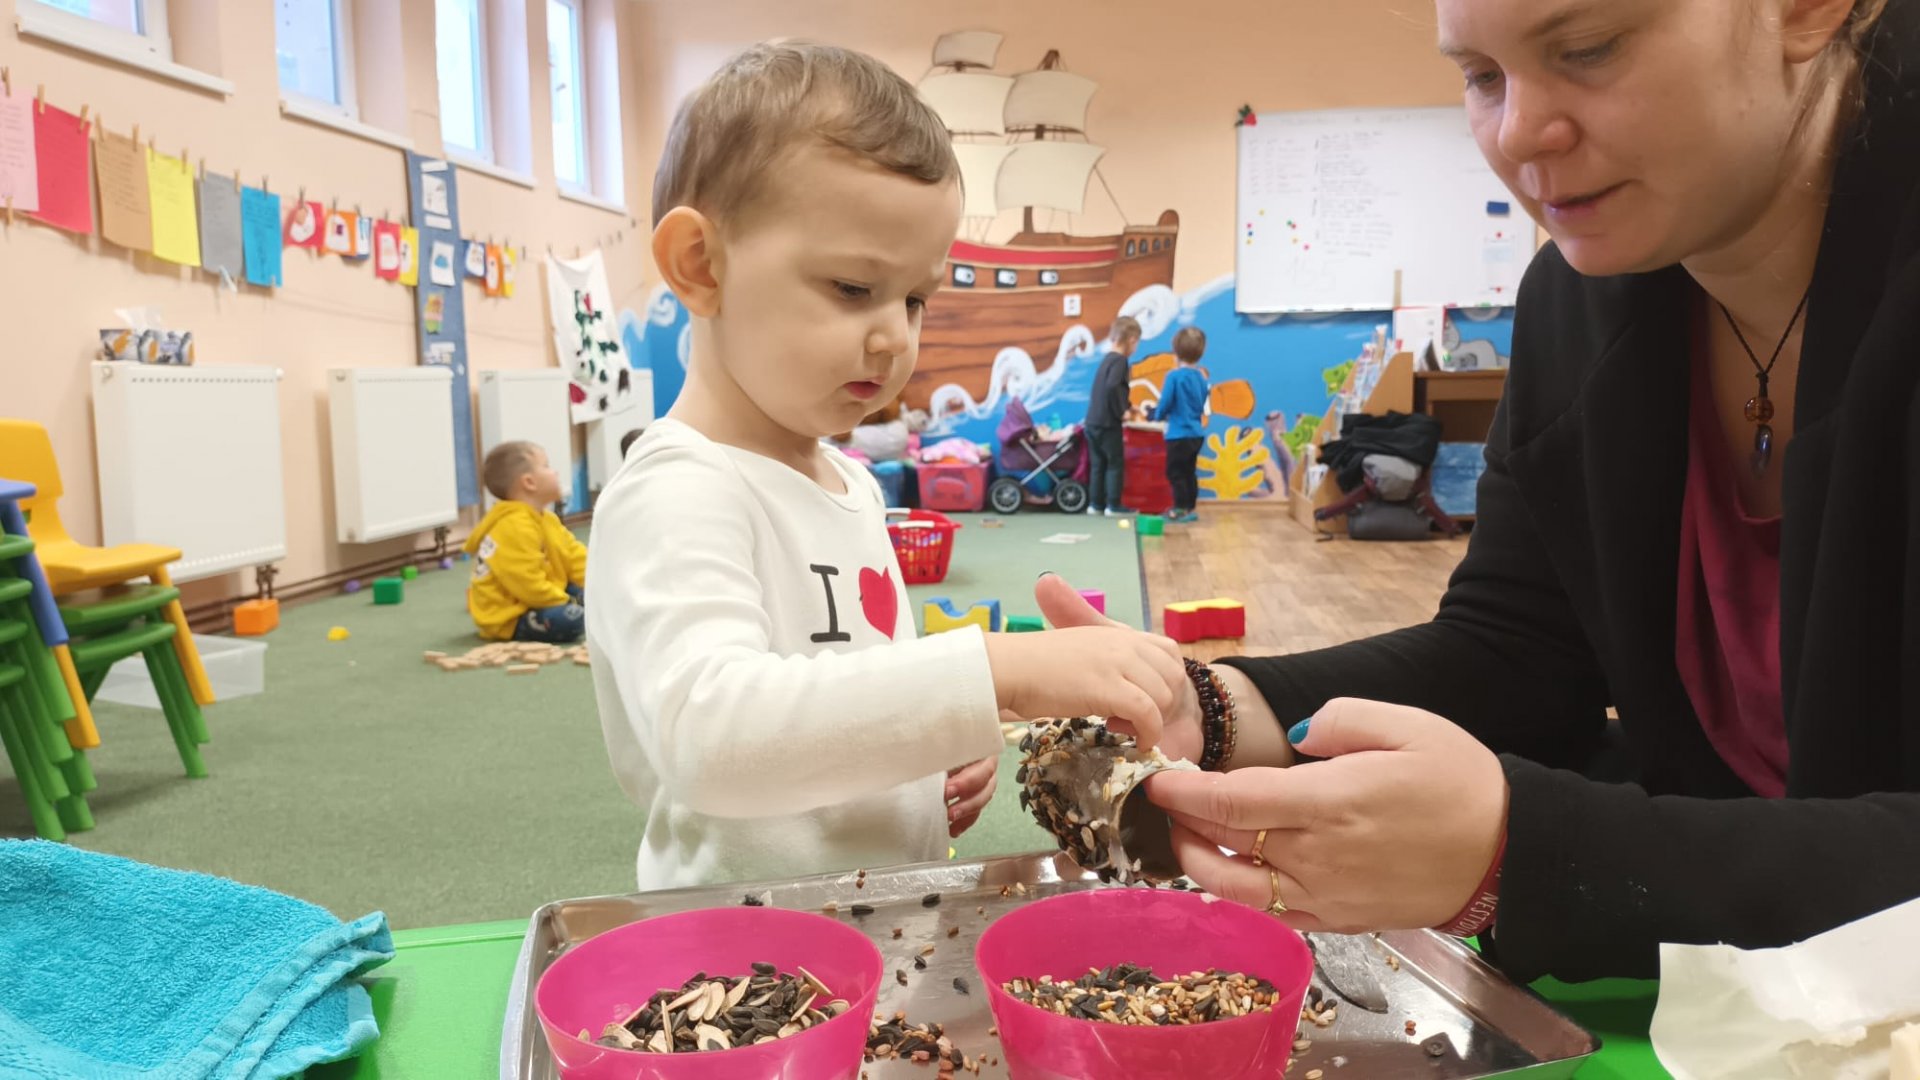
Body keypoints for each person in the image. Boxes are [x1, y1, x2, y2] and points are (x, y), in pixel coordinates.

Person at [1043, 0, 1920, 984]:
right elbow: (1519, 650)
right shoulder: (1578, 298)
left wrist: (1535, 858)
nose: (1517, 134)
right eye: (1482, 77)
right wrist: (1217, 708)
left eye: (1589, 49)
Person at [586, 43, 1187, 891]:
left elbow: (847, 696)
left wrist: (932, 755)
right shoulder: (676, 488)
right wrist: (995, 671)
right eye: (851, 288)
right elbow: (710, 741)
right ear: (700, 265)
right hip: (744, 946)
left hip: (882, 919)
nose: (894, 338)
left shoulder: (853, 485)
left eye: (914, 299)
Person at [464, 441, 587, 643]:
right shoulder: (513, 526)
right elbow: (527, 583)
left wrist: (596, 584)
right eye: (546, 466)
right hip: (510, 614)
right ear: (529, 482)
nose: (555, 472)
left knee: (590, 596)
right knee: (574, 618)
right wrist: (567, 601)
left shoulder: (547, 519)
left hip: (537, 594)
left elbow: (573, 556)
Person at [1149, 327, 1210, 523]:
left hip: (1178, 434)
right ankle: (1190, 507)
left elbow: (1165, 403)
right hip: (1196, 433)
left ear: (1176, 351)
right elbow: (1202, 403)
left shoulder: (1173, 376)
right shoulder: (1201, 377)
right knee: (1189, 472)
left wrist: (1155, 415)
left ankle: (1180, 509)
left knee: (1175, 472)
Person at [1082, 316, 1142, 516]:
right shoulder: (1121, 361)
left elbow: (1108, 390)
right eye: (1137, 343)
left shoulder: (1107, 360)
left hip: (1093, 421)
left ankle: (1096, 504)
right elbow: (1113, 386)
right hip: (1108, 423)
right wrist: (1122, 411)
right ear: (1131, 340)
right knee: (1115, 463)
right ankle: (1114, 505)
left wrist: (1129, 406)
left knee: (1098, 465)